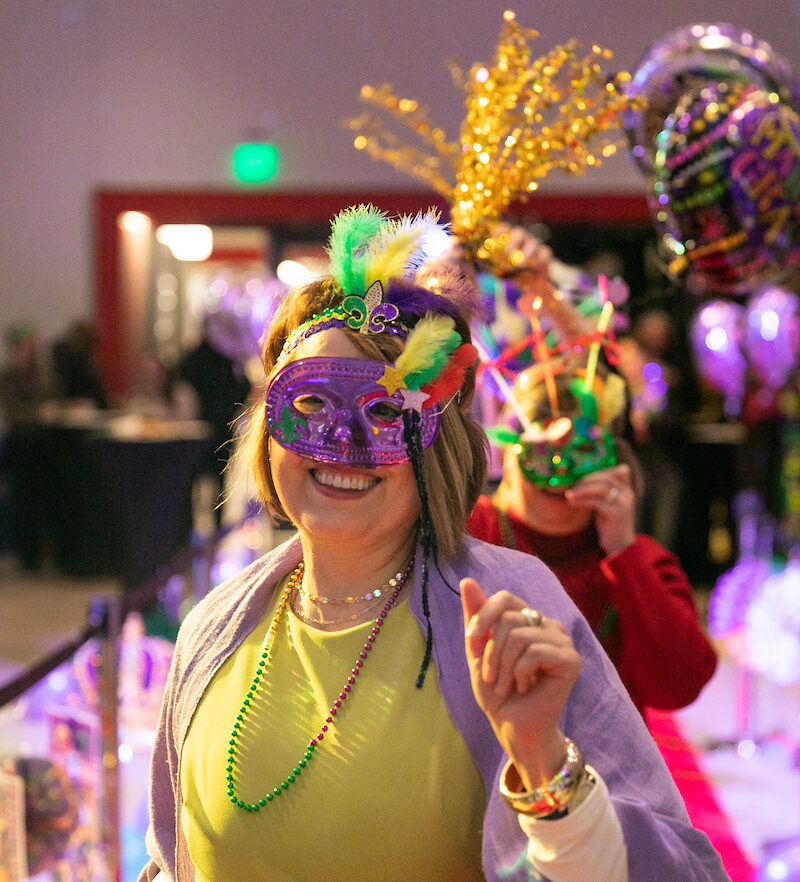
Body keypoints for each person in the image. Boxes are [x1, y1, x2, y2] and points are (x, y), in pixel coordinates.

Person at [139, 207, 727, 881]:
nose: (342, 443)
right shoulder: (216, 626)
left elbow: (673, 870)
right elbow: (170, 858)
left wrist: (544, 765)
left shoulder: (511, 604)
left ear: (438, 443)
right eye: (311, 403)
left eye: (387, 411)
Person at [467, 363, 718, 717]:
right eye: (542, 451)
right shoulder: (466, 533)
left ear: (611, 457)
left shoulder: (643, 561)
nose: (560, 471)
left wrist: (623, 551)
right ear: (508, 449)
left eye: (582, 451)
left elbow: (679, 688)